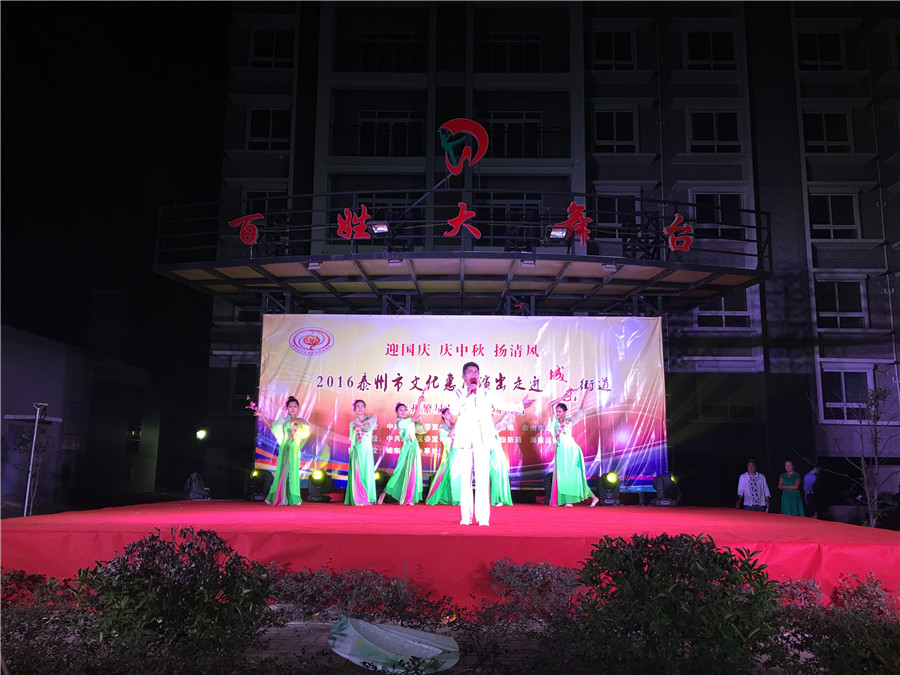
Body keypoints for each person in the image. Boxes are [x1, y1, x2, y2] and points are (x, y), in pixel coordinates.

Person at [448, 361, 534, 526]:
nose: (474, 375)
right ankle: (465, 517)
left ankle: (483, 518)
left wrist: (520, 405)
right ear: (463, 376)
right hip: (465, 439)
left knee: (482, 478)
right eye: (470, 372)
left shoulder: (487, 393)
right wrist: (467, 394)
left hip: (483, 438)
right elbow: (453, 411)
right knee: (465, 479)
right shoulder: (458, 393)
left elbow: (503, 405)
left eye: (476, 372)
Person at [548, 389, 600, 508]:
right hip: (560, 451)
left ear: (565, 412)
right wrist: (563, 397)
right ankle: (593, 497)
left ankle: (570, 501)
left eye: (560, 411)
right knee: (562, 476)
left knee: (573, 476)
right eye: (557, 411)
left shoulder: (570, 420)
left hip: (571, 451)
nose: (557, 413)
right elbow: (550, 404)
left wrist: (586, 393)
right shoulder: (554, 421)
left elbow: (582, 409)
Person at [256, 396, 310, 506]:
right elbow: (270, 426)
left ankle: (294, 498)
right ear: (287, 408)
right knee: (282, 472)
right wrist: (262, 416)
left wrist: (296, 422)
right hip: (285, 448)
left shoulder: (301, 421)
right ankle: (273, 497)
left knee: (293, 472)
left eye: (295, 406)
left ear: (298, 408)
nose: (293, 409)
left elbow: (307, 427)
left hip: (295, 450)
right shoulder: (283, 420)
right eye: (290, 406)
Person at [378, 394, 426, 505]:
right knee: (399, 472)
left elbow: (421, 431)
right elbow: (415, 416)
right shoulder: (400, 422)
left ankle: (407, 496)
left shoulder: (408, 421)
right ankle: (383, 494)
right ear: (396, 412)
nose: (403, 412)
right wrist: (418, 403)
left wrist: (420, 421)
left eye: (405, 410)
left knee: (412, 473)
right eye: (400, 410)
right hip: (407, 449)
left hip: (414, 447)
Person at [426, 408, 461, 505]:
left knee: (455, 476)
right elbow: (449, 435)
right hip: (449, 453)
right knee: (443, 475)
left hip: (457, 452)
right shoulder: (442, 428)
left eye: (451, 413)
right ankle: (433, 497)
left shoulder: (455, 425)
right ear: (443, 416)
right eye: (448, 413)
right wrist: (458, 422)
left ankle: (454, 499)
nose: (450, 414)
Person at [345, 399, 377, 506]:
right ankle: (359, 497)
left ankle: (368, 496)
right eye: (357, 406)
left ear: (365, 407)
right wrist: (359, 425)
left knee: (367, 473)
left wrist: (362, 423)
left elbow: (373, 420)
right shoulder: (352, 423)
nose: (360, 408)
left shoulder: (370, 419)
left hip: (367, 451)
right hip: (357, 450)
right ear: (354, 409)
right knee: (359, 473)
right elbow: (355, 432)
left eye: (362, 406)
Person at [489, 412, 514, 507]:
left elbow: (501, 422)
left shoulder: (494, 427)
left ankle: (498, 499)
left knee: (498, 477)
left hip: (497, 455)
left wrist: (506, 414)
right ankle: (493, 499)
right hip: (488, 455)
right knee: (493, 477)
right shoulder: (481, 429)